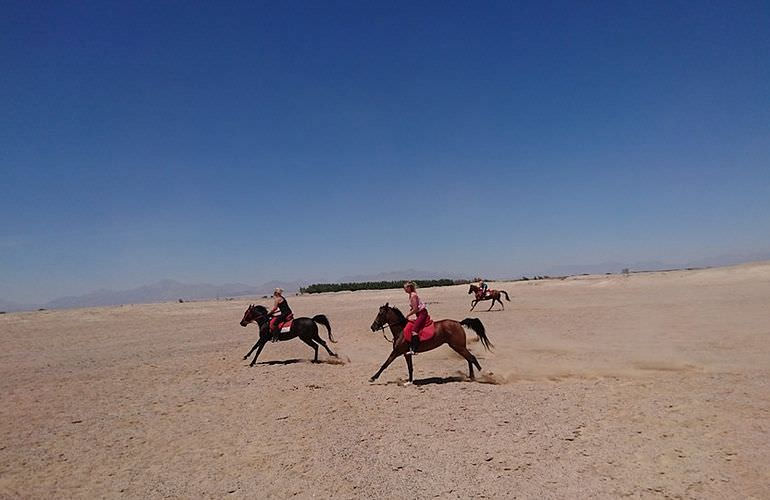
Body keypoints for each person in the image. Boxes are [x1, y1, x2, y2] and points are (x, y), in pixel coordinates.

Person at [403, 281, 429, 356]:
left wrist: (408, 315)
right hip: (419, 314)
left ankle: (414, 349)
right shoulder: (411, 295)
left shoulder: (413, 295)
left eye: (405, 288)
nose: (404, 289)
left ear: (409, 288)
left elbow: (415, 309)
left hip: (422, 314)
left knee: (414, 331)